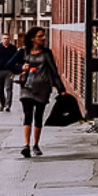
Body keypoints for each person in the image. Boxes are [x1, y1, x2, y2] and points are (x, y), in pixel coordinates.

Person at [17, 27, 64, 158]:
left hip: (43, 88)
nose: (44, 38)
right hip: (27, 88)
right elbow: (8, 64)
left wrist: (61, 89)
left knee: (38, 116)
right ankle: (26, 146)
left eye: (44, 36)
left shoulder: (47, 52)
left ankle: (36, 145)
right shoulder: (24, 51)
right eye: (40, 36)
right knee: (27, 115)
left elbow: (54, 71)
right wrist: (21, 67)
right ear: (32, 39)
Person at [0, 34, 22, 115]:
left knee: (8, 87)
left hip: (9, 71)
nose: (6, 40)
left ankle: (8, 105)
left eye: (8, 38)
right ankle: (2, 103)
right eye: (4, 38)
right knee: (0, 88)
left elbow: (17, 58)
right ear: (2, 39)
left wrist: (18, 69)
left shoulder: (13, 48)